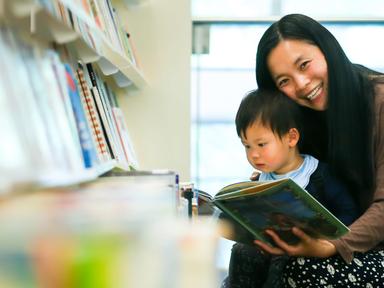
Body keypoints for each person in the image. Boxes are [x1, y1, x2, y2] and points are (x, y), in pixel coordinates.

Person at [250, 13, 384, 287]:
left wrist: (334, 245)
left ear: (328, 50)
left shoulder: (379, 100)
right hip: (348, 242)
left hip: (368, 245)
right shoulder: (301, 121)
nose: (301, 84)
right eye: (284, 81)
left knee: (302, 270)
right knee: (249, 254)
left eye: (305, 65)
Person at [222, 88, 359, 288]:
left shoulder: (319, 175)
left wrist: (326, 238)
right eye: (247, 146)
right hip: (267, 248)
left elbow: (349, 212)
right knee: (241, 251)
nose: (254, 155)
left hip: (309, 251)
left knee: (282, 263)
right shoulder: (259, 181)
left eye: (261, 144)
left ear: (291, 138)